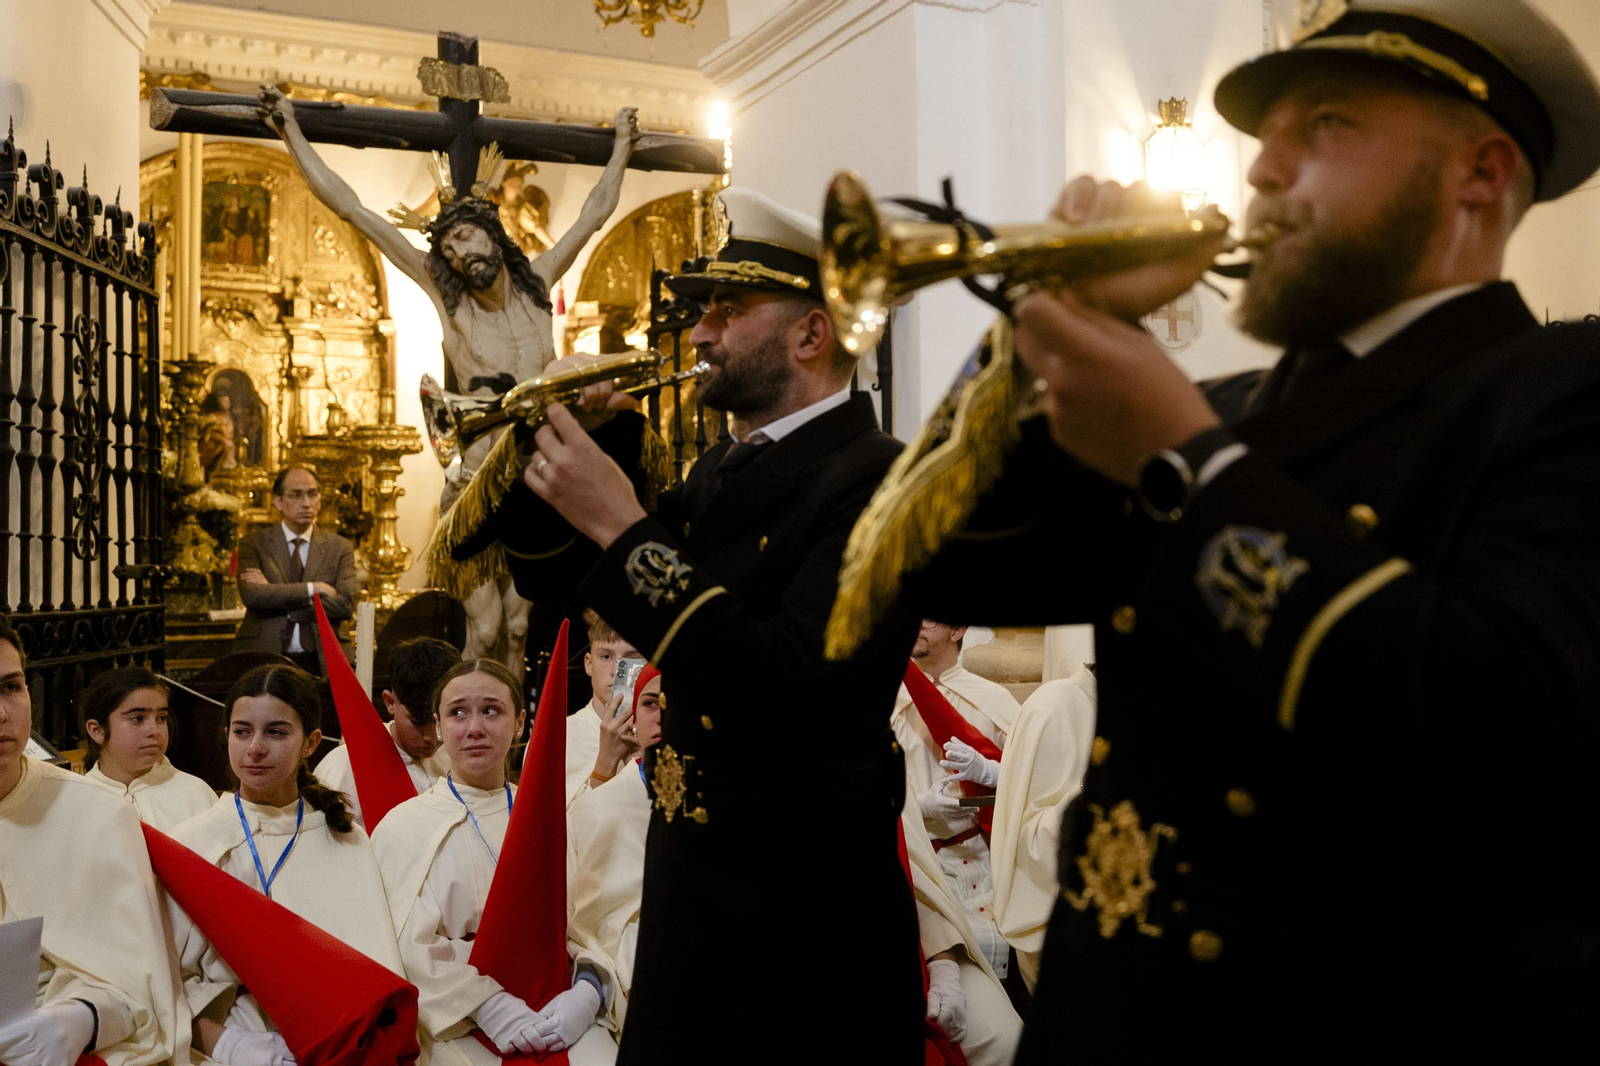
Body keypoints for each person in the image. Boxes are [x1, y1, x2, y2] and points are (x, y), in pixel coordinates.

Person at [885, 0, 1600, 1055]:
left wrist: (1187, 465)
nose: (1261, 171)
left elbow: (1503, 729)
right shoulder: (1220, 405)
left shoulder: (1558, 395)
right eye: (1264, 140)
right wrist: (1055, 315)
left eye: (1325, 126)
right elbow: (928, 554)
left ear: (1479, 174)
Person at [460, 186, 925, 1060]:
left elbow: (782, 679)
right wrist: (570, 445)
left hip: (805, 911)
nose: (700, 332)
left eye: (727, 309)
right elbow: (567, 580)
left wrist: (620, 522)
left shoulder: (877, 480)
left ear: (810, 335)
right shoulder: (725, 467)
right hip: (696, 886)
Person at [370, 660, 616, 1066]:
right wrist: (490, 1006)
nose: (474, 728)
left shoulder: (549, 817)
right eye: (457, 712)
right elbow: (403, 948)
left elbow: (589, 922)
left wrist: (588, 991)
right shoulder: (404, 828)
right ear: (438, 725)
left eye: (491, 710)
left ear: (520, 722)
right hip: (457, 1017)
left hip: (558, 1004)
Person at [168, 664, 402, 1066]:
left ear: (311, 742)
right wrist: (229, 1045)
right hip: (234, 1036)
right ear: (226, 735)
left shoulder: (344, 837)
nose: (255, 748)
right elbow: (162, 979)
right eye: (242, 731)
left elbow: (376, 965)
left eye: (276, 732)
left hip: (342, 1034)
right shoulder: (194, 843)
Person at [0, 615, 188, 1066]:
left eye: (10, 686)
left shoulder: (98, 813)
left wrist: (79, 1017)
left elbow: (145, 988)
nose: (2, 713)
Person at [941, 666, 1097, 992]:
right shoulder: (1051, 708)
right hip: (967, 865)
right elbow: (1023, 839)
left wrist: (989, 770)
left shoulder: (993, 698)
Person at [566, 667, 662, 1033]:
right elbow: (589, 924)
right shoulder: (598, 806)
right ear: (632, 719)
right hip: (635, 980)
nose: (663, 715)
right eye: (650, 703)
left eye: (675, 702)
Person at [313, 637, 458, 828]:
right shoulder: (346, 765)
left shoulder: (455, 756)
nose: (432, 737)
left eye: (440, 721)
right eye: (417, 723)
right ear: (390, 702)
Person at [234, 468, 357, 672]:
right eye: (296, 495)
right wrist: (312, 589)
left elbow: (344, 605)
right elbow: (254, 596)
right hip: (266, 655)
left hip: (323, 659)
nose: (306, 503)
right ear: (279, 502)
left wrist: (275, 593)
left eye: (312, 494)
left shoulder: (339, 547)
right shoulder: (254, 543)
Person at [80, 666, 216, 831]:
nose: (154, 730)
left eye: (161, 718)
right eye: (137, 718)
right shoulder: (79, 800)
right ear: (97, 730)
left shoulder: (195, 794)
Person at [566, 616, 643, 806]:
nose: (617, 670)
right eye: (606, 657)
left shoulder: (660, 730)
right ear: (589, 664)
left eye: (631, 658)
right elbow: (567, 826)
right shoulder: (559, 735)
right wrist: (607, 759)